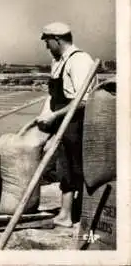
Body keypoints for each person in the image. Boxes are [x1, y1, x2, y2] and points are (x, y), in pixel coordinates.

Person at [35, 22, 95, 227]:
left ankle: (73, 214)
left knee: (74, 165)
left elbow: (83, 100)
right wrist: (45, 115)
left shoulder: (79, 61)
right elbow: (53, 96)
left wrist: (54, 116)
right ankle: (65, 213)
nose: (46, 46)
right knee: (64, 165)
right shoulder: (58, 61)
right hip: (63, 117)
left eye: (47, 42)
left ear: (57, 39)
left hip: (77, 119)